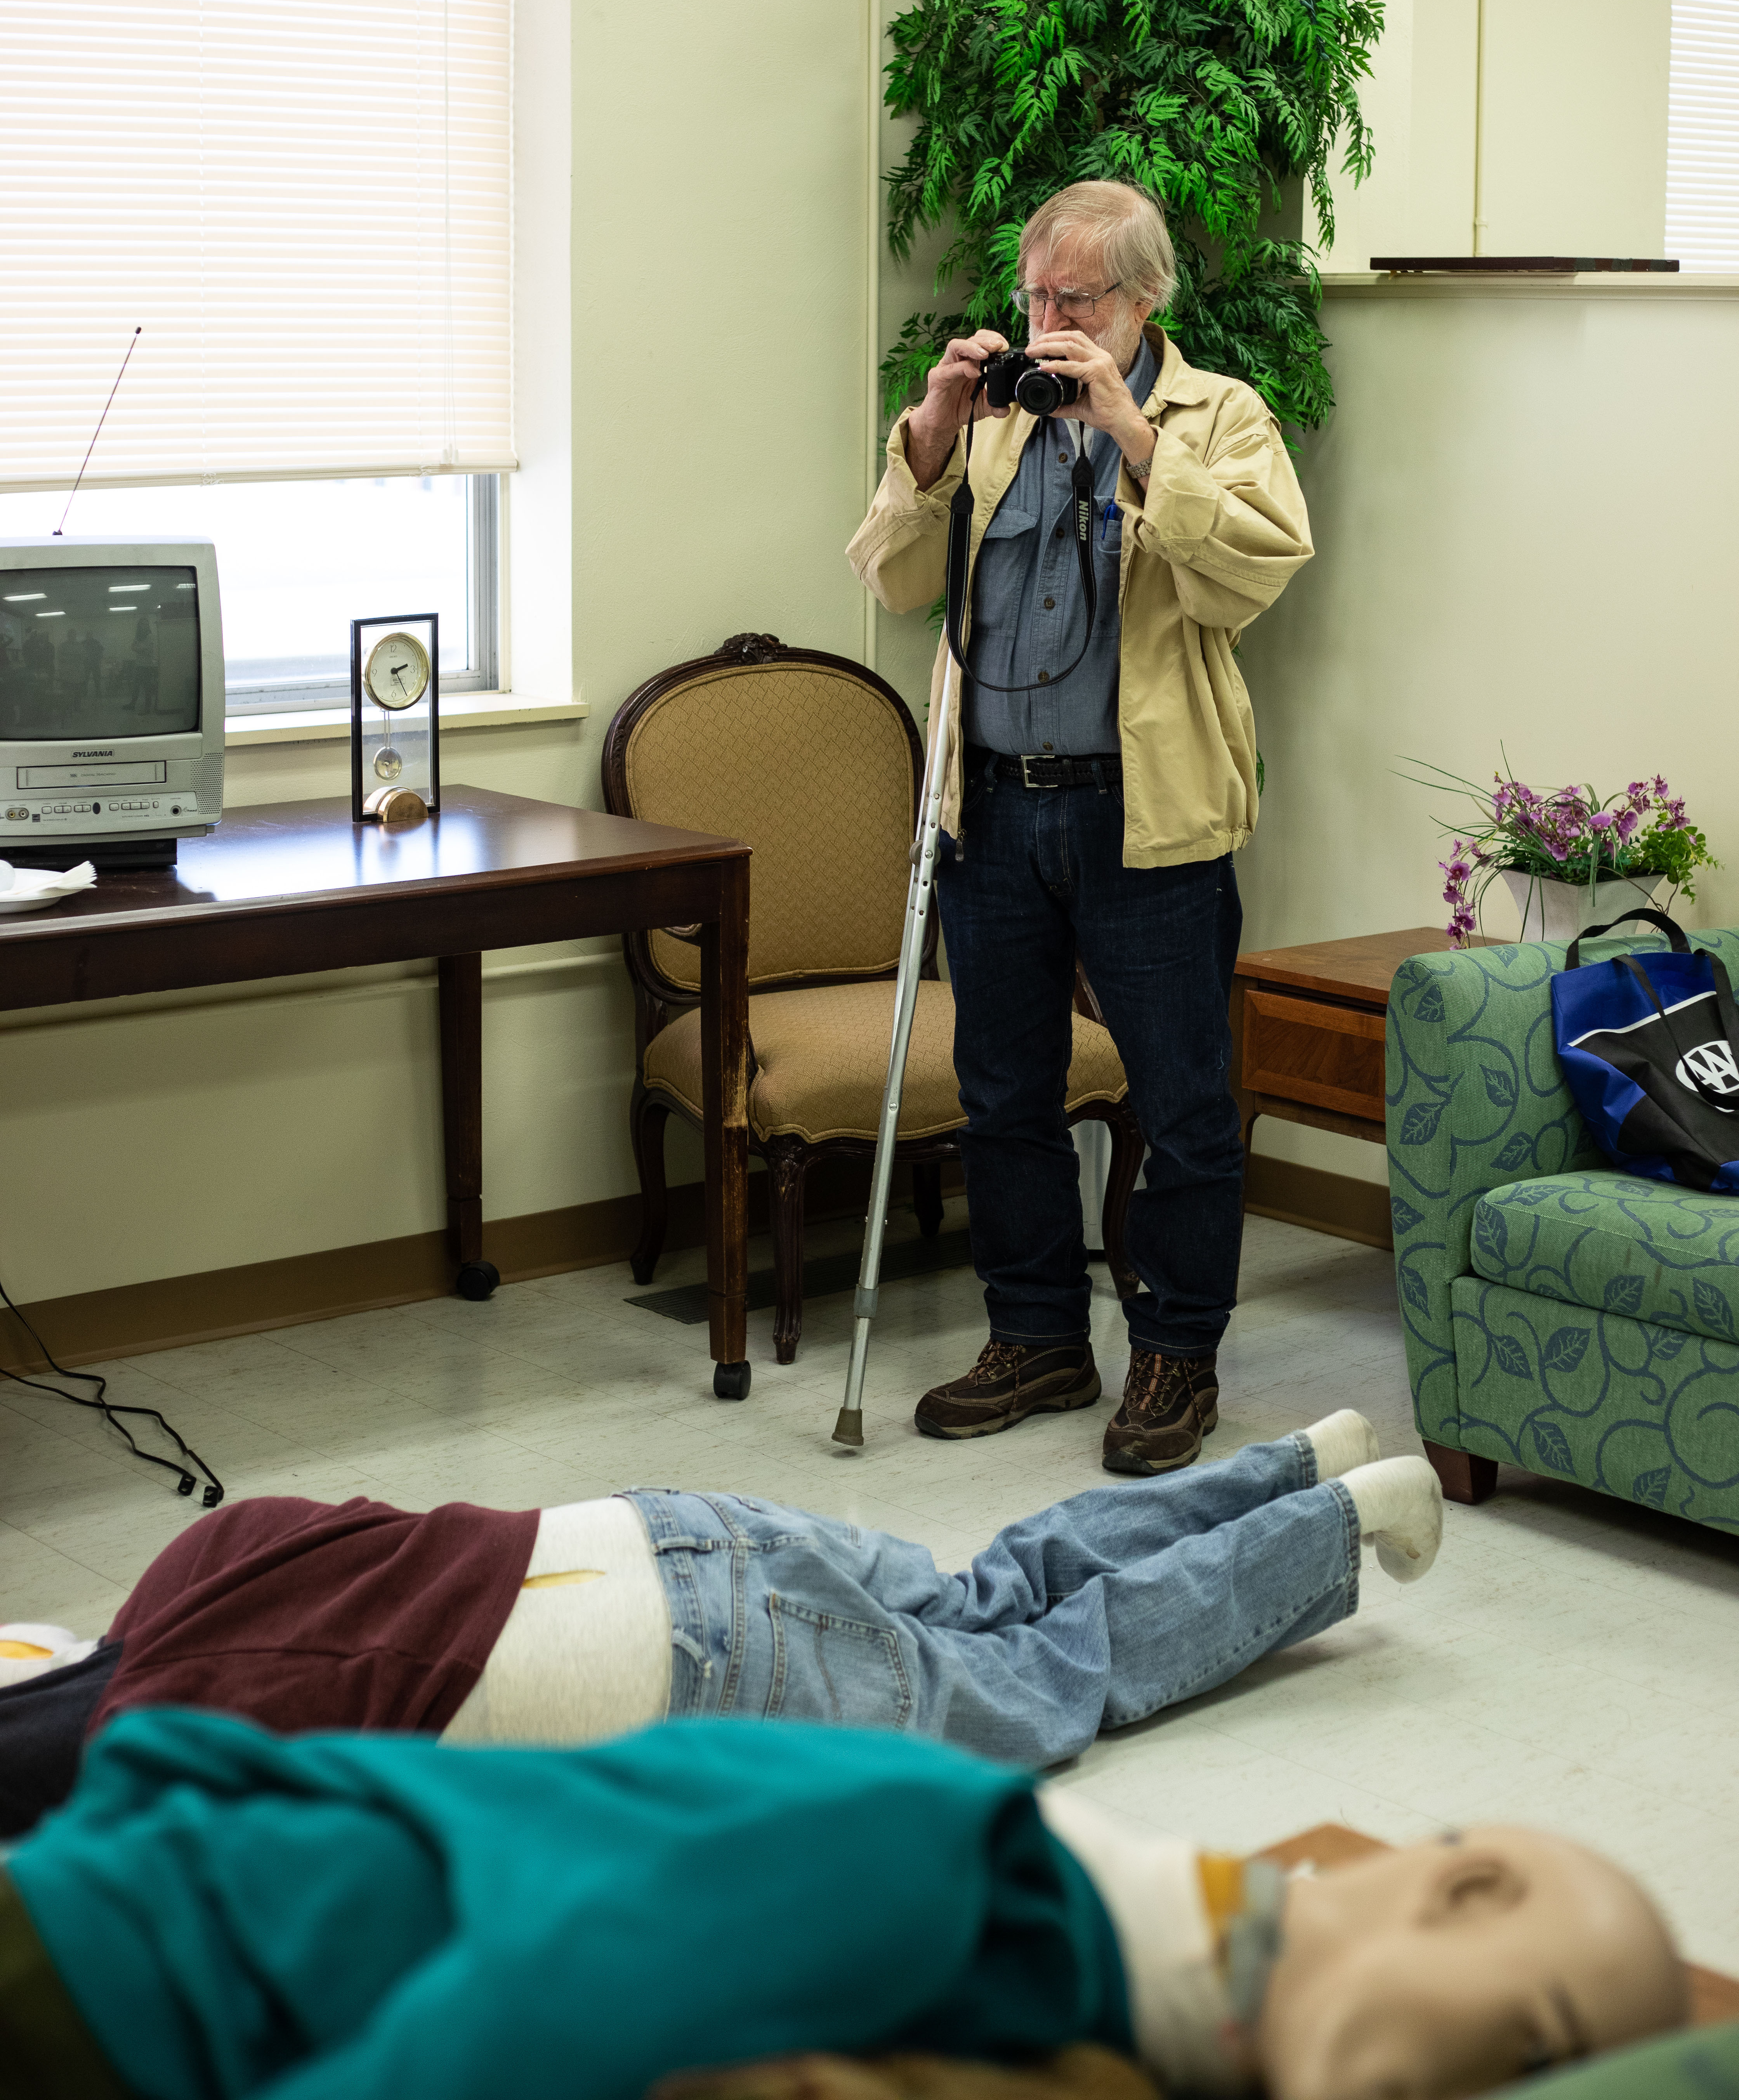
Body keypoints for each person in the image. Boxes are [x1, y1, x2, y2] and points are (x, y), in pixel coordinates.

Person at [0, 1708, 1686, 2100]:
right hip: (128, 1965)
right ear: (1460, 1883)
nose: (1503, 2092)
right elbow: (539, 2002)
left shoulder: (1092, 1975)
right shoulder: (974, 1864)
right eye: (1526, 2044)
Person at [0, 1411, 1442, 1838]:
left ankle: (1348, 1513)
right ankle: (1297, 1459)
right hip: (682, 1527)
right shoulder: (198, 1560)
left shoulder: (161, 1777)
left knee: (1059, 1668)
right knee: (979, 1590)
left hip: (715, 1674)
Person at [848, 182, 1313, 1476]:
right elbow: (893, 581)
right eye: (1037, 298)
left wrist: (1135, 433)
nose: (1050, 323)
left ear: (1144, 301)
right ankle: (1039, 1336)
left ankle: (1177, 1354)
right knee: (1003, 1094)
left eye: (1079, 301)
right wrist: (932, 436)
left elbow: (1260, 570)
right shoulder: (992, 420)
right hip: (992, 809)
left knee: (1180, 1101)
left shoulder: (1218, 415)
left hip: (1144, 817)